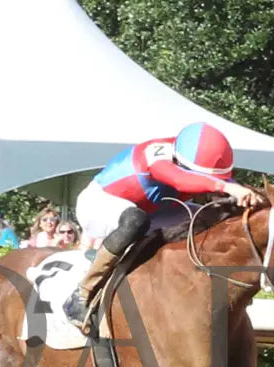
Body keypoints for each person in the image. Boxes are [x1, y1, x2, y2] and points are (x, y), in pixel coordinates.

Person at [62, 122, 257, 331]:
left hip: (151, 209)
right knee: (136, 221)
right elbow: (181, 181)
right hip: (100, 204)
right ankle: (82, 294)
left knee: (210, 217)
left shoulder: (192, 159)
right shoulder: (155, 155)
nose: (212, 183)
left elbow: (223, 187)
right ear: (180, 161)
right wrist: (226, 186)